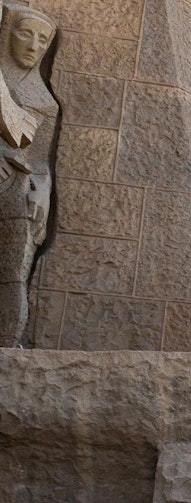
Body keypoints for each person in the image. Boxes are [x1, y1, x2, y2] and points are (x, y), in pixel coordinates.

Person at [0, 3, 56, 346]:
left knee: (12, 274)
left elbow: (40, 161)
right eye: (25, 33)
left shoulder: (45, 102)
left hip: (15, 187)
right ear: (8, 34)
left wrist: (42, 192)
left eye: (43, 39)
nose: (34, 46)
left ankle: (8, 343)